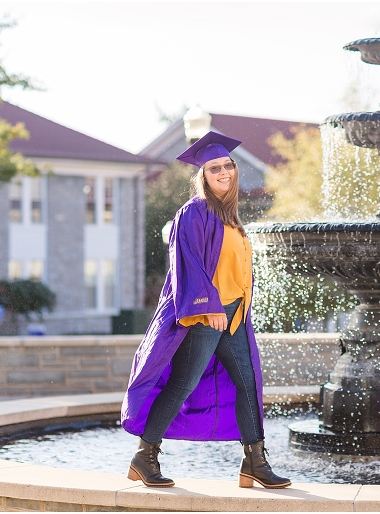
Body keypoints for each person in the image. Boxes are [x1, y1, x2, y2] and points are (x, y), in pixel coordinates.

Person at [121, 131, 290, 489]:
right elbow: (188, 263)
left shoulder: (230, 217)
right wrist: (208, 305)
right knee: (183, 383)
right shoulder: (194, 213)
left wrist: (236, 306)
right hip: (206, 315)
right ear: (203, 175)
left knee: (248, 385)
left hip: (235, 316)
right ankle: (144, 455)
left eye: (228, 165)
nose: (224, 172)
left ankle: (254, 462)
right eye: (215, 168)